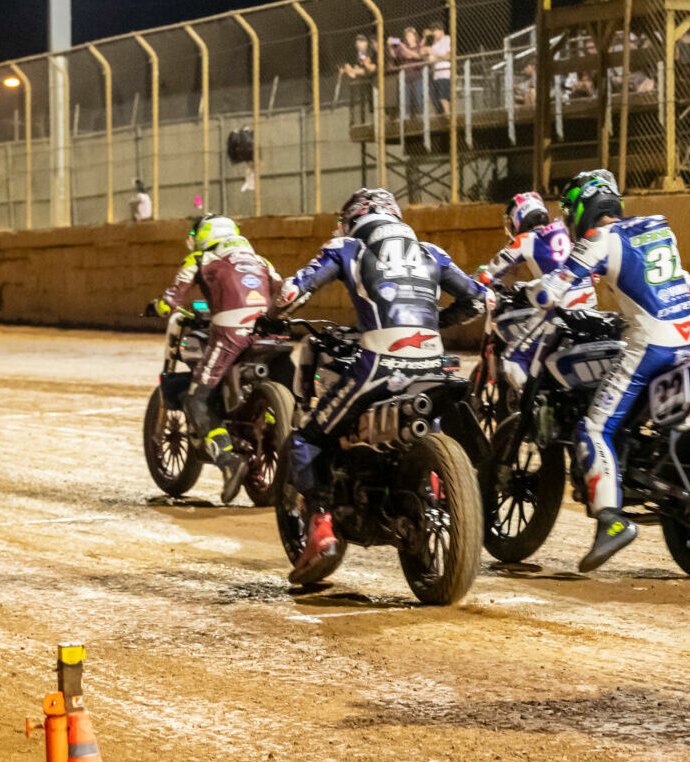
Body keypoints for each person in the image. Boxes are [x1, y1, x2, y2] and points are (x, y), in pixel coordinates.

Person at [272, 188, 490, 584]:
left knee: (306, 437)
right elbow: (478, 301)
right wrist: (433, 322)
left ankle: (321, 527)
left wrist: (279, 309)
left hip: (378, 366)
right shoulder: (431, 252)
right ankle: (435, 494)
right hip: (434, 366)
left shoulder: (348, 246)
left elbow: (293, 291)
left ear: (354, 218)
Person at [529, 170, 690, 573]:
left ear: (580, 210)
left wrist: (534, 293)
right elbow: (688, 285)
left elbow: (553, 287)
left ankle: (611, 519)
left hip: (652, 345)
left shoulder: (598, 241)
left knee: (593, 428)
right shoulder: (660, 227)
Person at [149, 214, 281, 505]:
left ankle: (227, 460)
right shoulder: (261, 260)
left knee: (197, 398)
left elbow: (172, 299)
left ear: (203, 235)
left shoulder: (200, 258)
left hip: (230, 334)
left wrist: (157, 306)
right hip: (270, 335)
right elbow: (283, 293)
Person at [481, 192, 596, 384]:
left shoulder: (527, 239)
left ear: (519, 218)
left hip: (558, 309)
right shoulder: (566, 231)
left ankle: (530, 411)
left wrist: (473, 282)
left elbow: (489, 273)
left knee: (512, 360)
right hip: (588, 306)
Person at [426, 27, 453, 116]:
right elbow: (431, 59)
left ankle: (447, 113)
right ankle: (443, 113)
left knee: (443, 95)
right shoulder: (434, 44)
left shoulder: (446, 39)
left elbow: (447, 56)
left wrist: (434, 55)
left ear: (441, 31)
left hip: (444, 70)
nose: (434, 33)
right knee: (436, 95)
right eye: (433, 31)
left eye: (436, 31)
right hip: (436, 72)